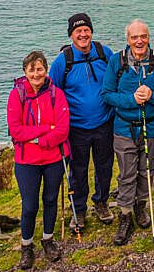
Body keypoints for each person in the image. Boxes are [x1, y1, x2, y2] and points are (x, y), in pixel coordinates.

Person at [101, 19, 154, 245]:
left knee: (146, 170)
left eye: (143, 36)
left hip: (152, 126)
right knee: (126, 174)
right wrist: (131, 100)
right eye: (134, 37)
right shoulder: (116, 61)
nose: (139, 41)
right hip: (124, 127)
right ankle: (125, 215)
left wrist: (152, 96)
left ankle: (141, 206)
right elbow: (107, 94)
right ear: (128, 40)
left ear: (148, 37)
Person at [48, 13, 116, 231]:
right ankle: (79, 210)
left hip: (105, 122)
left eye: (86, 30)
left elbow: (116, 79)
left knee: (104, 166)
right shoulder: (62, 62)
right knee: (77, 170)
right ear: (71, 35)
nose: (83, 34)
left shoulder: (104, 53)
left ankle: (102, 202)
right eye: (78, 31)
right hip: (75, 128)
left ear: (91, 32)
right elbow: (53, 95)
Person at [7, 51, 71, 269]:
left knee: (50, 199)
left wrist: (38, 140)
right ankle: (26, 245)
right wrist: (45, 130)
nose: (37, 73)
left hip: (54, 157)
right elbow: (15, 131)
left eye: (40, 68)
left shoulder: (57, 94)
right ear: (25, 72)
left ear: (46, 70)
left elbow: (62, 130)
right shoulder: (16, 95)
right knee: (30, 205)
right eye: (32, 69)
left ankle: (48, 239)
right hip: (26, 162)